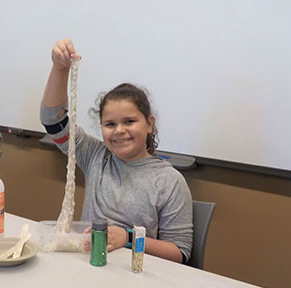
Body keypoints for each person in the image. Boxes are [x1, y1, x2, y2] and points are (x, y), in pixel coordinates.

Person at [41, 39, 193, 263]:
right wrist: (59, 68)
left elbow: (179, 253)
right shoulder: (95, 156)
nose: (119, 131)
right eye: (110, 124)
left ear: (149, 124)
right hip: (90, 266)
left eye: (129, 121)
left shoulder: (170, 181)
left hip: (135, 276)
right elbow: (53, 120)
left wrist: (128, 238)